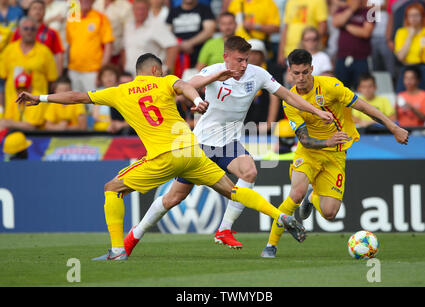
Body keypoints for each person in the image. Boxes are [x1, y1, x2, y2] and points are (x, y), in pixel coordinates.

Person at [17, 52, 309, 261]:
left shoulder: (120, 91)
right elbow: (185, 86)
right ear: (156, 71)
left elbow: (77, 97)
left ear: (138, 73)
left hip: (163, 156)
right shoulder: (166, 81)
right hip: (192, 152)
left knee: (111, 189)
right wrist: (197, 100)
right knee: (233, 191)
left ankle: (118, 250)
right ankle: (279, 215)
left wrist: (39, 98)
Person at [124, 36, 334, 253]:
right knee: (173, 198)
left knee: (249, 171)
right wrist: (213, 80)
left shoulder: (258, 74)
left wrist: (317, 111)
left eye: (246, 60)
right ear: (226, 57)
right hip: (200, 144)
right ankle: (134, 236)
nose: (244, 65)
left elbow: (288, 96)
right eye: (239, 60)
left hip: (229, 143)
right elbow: (186, 86)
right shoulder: (213, 71)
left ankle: (224, 229)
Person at [260, 49, 409, 258]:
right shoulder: (289, 100)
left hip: (336, 154)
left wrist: (393, 127)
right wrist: (327, 140)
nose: (301, 78)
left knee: (330, 213)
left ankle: (313, 198)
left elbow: (364, 107)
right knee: (296, 193)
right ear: (289, 72)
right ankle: (271, 246)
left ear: (312, 69)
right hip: (309, 151)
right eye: (296, 73)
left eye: (305, 72)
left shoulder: (331, 87)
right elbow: (303, 139)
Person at [0, 16, 58, 131]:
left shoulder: (45, 52)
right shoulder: (9, 50)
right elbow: (3, 79)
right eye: (26, 28)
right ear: (19, 30)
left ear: (36, 31)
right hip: (13, 105)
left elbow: (52, 81)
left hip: (36, 105)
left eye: (32, 29)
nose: (29, 31)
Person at [65, 0, 114, 92]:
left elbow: (108, 45)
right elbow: (70, 44)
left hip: (93, 71)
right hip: (74, 70)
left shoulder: (101, 17)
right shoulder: (73, 16)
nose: (85, 1)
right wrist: (68, 67)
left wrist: (101, 72)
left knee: (93, 104)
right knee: (76, 104)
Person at [394, 3, 425, 95]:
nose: (413, 18)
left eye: (416, 15)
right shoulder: (401, 32)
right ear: (407, 17)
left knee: (422, 100)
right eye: (410, 15)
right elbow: (400, 56)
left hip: (424, 69)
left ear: (422, 16)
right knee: (401, 99)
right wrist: (410, 36)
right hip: (407, 70)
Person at [123, 0, 178, 76]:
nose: (140, 12)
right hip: (129, 75)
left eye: (143, 9)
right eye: (137, 9)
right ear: (133, 10)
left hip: (150, 76)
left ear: (149, 9)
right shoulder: (128, 26)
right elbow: (126, 49)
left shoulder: (156, 25)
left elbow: (173, 45)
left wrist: (166, 69)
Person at [11, 0, 65, 76]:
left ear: (44, 12)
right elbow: (11, 51)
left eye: (40, 9)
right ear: (29, 12)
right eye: (34, 8)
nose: (37, 11)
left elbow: (59, 55)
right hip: (21, 75)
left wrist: (58, 77)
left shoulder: (52, 33)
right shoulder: (19, 31)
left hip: (44, 74)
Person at [332, 0, 375, 90]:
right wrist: (351, 9)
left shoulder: (370, 11)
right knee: (340, 89)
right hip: (342, 57)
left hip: (362, 58)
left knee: (361, 89)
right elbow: (336, 22)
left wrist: (345, 26)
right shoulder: (342, 9)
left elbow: (366, 33)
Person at [166, 0, 216, 77]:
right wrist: (180, 46)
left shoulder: (204, 9)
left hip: (199, 61)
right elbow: (167, 33)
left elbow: (209, 31)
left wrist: (190, 43)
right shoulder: (173, 11)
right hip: (177, 61)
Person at [277, 0, 328, 67]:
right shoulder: (290, 2)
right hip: (289, 51)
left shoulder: (319, 1)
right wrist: (281, 52)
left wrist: (313, 45)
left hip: (308, 52)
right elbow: (286, 28)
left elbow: (323, 26)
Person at [93, 0, 132, 68]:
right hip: (92, 55)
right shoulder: (96, 3)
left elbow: (129, 35)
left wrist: (122, 59)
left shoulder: (126, 7)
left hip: (114, 57)